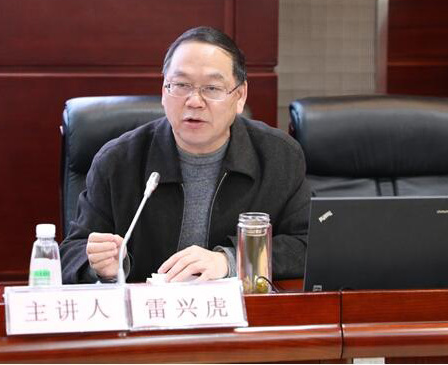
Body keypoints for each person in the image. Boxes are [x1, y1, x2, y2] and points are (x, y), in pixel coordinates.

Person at [60, 26, 310, 283]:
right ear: (164, 91)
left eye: (212, 88)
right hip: (149, 306)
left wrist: (231, 260)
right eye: (180, 85)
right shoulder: (117, 161)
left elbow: (308, 244)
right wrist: (102, 266)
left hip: (238, 307)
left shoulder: (279, 156)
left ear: (240, 96)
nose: (194, 101)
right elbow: (72, 252)